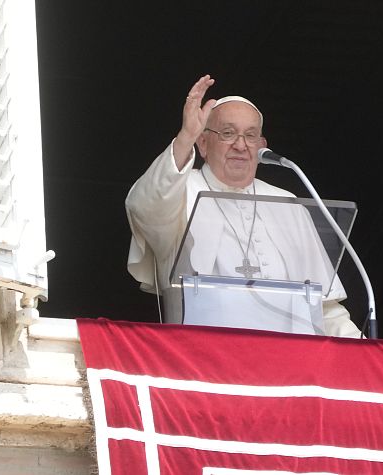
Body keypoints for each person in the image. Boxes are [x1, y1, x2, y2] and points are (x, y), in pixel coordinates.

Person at [125, 74, 362, 338]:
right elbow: (145, 207)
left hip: (291, 360)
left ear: (262, 147)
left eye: (250, 136)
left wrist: (365, 353)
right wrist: (185, 136)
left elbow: (325, 308)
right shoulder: (181, 191)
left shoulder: (289, 205)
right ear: (203, 143)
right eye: (228, 133)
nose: (241, 145)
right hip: (204, 354)